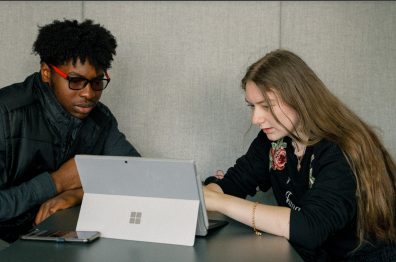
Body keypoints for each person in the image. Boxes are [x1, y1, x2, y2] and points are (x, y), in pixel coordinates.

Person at [203, 49, 396, 261]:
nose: (256, 118)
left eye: (266, 106)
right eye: (252, 106)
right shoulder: (273, 139)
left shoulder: (342, 149)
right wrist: (206, 195)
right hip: (308, 254)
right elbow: (236, 181)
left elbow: (310, 228)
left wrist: (218, 202)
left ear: (299, 99)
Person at [0, 19, 140, 243]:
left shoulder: (100, 119)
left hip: (59, 238)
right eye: (75, 81)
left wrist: (78, 194)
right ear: (46, 72)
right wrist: (57, 182)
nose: (88, 94)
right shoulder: (5, 113)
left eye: (96, 82)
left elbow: (138, 176)